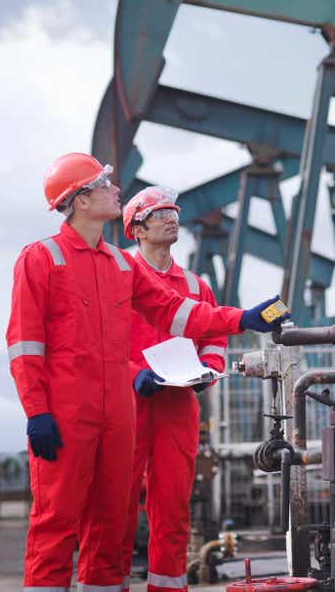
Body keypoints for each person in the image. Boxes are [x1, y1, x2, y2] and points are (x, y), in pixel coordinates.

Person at [5, 153, 287, 592]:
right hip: (66, 413)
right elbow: (24, 347)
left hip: (117, 416)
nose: (115, 190)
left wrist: (242, 318)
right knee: (56, 522)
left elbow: (175, 312)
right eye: (103, 184)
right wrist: (37, 411)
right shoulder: (42, 259)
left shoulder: (119, 265)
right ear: (79, 200)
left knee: (112, 520)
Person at [119, 186, 231, 592]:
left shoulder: (196, 285)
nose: (172, 217)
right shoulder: (118, 277)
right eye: (159, 212)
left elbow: (215, 334)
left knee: (172, 507)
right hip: (128, 402)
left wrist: (210, 367)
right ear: (137, 229)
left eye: (173, 211)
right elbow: (104, 338)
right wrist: (133, 371)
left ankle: (168, 587)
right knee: (117, 504)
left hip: (178, 405)